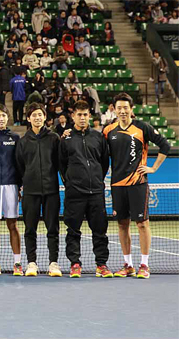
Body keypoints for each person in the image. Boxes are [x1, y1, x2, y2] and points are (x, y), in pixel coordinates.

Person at [103, 93, 170, 279]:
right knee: (122, 224)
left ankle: (144, 265)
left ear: (131, 109)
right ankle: (128, 265)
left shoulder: (142, 127)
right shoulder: (108, 130)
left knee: (142, 224)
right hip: (117, 185)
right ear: (114, 109)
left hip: (138, 183)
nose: (123, 111)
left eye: (126, 107)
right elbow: (96, 149)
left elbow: (165, 145)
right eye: (119, 108)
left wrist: (153, 168)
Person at [59, 100, 112, 278]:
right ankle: (75, 264)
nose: (82, 118)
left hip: (96, 192)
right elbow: (61, 164)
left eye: (85, 114)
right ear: (73, 116)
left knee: (100, 231)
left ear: (89, 116)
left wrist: (96, 180)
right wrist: (72, 182)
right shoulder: (66, 138)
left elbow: (104, 162)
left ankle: (101, 265)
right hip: (75, 193)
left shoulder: (98, 137)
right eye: (79, 115)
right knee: (73, 230)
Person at [15, 103, 61, 277]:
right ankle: (31, 263)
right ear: (28, 118)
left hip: (51, 191)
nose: (37, 118)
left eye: (40, 115)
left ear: (44, 117)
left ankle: (53, 264)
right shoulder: (23, 141)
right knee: (30, 230)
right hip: (30, 192)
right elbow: (19, 165)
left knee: (53, 230)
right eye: (34, 115)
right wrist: (24, 183)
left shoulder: (54, 138)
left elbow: (58, 163)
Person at [0, 104, 23, 276]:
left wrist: (21, 185)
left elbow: (20, 163)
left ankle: (17, 263)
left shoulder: (15, 138)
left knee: (12, 225)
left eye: (4, 116)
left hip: (11, 185)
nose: (1, 119)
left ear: (7, 118)